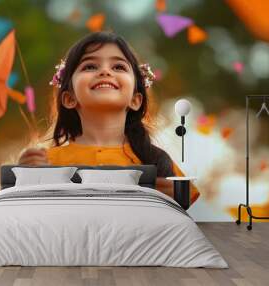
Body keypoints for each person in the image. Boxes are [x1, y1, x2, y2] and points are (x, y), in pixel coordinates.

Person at [18, 32, 199, 205]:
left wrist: (169, 200)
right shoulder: (45, 162)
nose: (105, 71)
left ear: (136, 100)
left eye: (118, 67)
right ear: (69, 98)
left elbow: (182, 208)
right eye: (89, 66)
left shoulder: (155, 159)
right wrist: (26, 178)